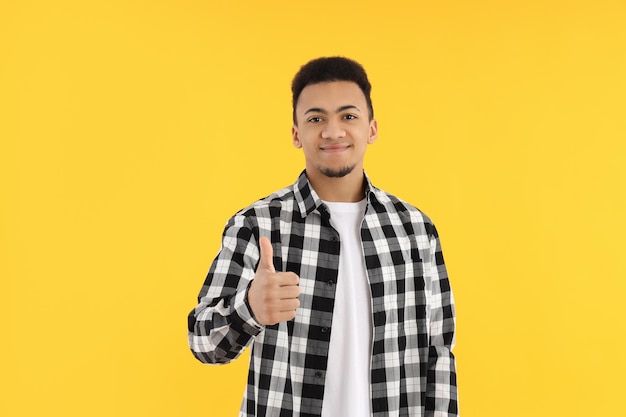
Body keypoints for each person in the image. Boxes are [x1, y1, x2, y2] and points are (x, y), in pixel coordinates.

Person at [188, 56, 458, 417]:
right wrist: (250, 308)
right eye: (316, 119)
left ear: (372, 129)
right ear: (297, 134)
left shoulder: (415, 229)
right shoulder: (257, 224)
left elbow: (438, 355)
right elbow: (203, 342)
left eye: (348, 116)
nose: (332, 131)